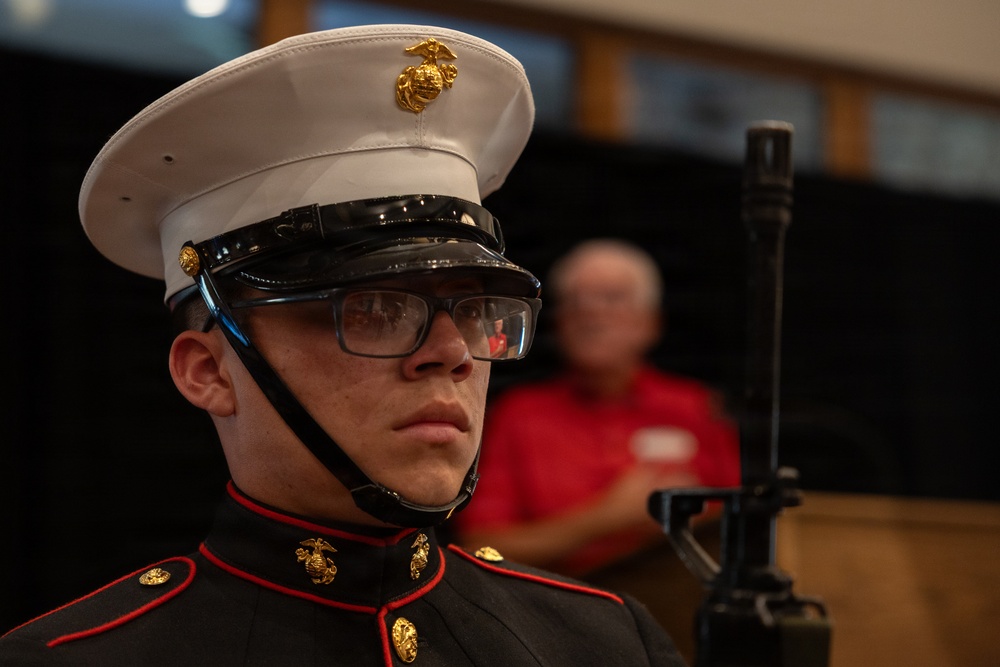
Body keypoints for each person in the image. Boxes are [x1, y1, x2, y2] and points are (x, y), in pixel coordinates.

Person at [0, 25, 686, 666]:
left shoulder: (606, 642)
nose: (450, 351)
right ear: (208, 371)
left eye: (477, 310)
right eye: (376, 310)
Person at [455, 239, 741, 577]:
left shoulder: (695, 408)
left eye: (612, 298)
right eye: (575, 301)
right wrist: (607, 517)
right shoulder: (520, 415)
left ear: (651, 322)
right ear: (558, 323)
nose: (590, 313)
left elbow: (741, 530)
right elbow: (480, 549)